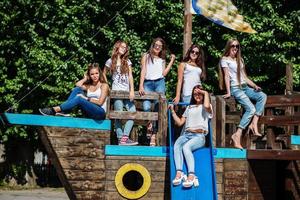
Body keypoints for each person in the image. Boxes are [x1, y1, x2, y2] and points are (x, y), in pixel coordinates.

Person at [219, 39, 267, 149]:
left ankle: (254, 123)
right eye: (233, 46)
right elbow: (226, 76)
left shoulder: (240, 60)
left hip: (245, 87)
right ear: (228, 47)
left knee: (262, 96)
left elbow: (244, 77)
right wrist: (228, 92)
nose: (235, 48)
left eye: (237, 46)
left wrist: (254, 86)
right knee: (251, 109)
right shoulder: (224, 59)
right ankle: (237, 134)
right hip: (236, 88)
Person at [169, 85, 212, 188]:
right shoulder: (189, 107)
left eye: (199, 93)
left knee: (186, 147)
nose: (197, 95)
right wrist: (172, 111)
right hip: (186, 134)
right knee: (177, 145)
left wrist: (204, 92)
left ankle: (191, 175)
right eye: (195, 94)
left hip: (199, 136)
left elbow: (206, 106)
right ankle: (179, 173)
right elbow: (180, 123)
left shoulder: (207, 107)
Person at [139, 37, 176, 146]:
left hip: (159, 82)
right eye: (156, 45)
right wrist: (141, 85)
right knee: (146, 107)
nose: (158, 47)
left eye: (160, 46)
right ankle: (149, 124)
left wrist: (172, 61)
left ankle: (154, 135)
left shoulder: (162, 59)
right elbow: (143, 71)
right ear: (153, 45)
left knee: (157, 108)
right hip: (148, 83)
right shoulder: (146, 56)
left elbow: (164, 73)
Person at [39, 63, 109, 120]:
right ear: (89, 76)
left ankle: (54, 110)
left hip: (100, 113)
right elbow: (78, 85)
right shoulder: (89, 86)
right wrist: (85, 79)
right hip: (89, 112)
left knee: (79, 99)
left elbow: (100, 103)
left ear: (99, 73)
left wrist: (86, 99)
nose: (95, 76)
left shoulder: (104, 85)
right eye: (92, 74)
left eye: (96, 73)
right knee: (77, 89)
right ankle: (65, 111)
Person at [103, 40, 138, 146]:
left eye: (125, 47)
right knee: (118, 114)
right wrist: (107, 86)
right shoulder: (110, 61)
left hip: (126, 92)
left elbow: (130, 76)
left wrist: (132, 90)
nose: (124, 49)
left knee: (133, 113)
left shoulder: (127, 61)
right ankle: (120, 138)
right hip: (116, 91)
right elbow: (103, 73)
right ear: (117, 47)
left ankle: (124, 138)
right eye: (122, 47)